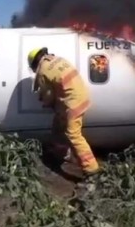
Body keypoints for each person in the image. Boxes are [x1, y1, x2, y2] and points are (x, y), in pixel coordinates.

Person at [27, 47, 100, 180]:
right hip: (80, 96)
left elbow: (48, 95)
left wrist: (44, 101)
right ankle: (62, 154)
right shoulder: (58, 60)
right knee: (58, 125)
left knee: (73, 134)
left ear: (34, 63)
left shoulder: (43, 70)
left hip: (72, 103)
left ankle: (92, 171)